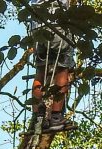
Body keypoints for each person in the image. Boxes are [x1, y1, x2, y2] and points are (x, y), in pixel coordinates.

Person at [27, 0, 75, 133]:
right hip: (58, 25)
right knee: (62, 70)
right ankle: (56, 117)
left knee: (40, 71)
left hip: (37, 27)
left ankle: (37, 118)